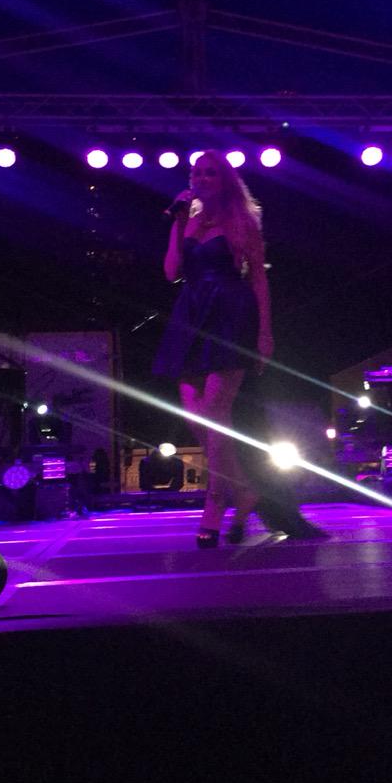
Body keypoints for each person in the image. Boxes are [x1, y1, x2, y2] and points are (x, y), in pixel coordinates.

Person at [153, 150, 273, 548]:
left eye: (210, 173)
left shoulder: (242, 220)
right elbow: (171, 272)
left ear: (224, 180)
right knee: (195, 415)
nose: (201, 179)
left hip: (230, 312)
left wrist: (264, 332)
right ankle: (243, 490)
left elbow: (258, 280)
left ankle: (215, 501)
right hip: (191, 311)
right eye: (197, 173)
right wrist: (177, 222)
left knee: (216, 413)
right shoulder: (188, 218)